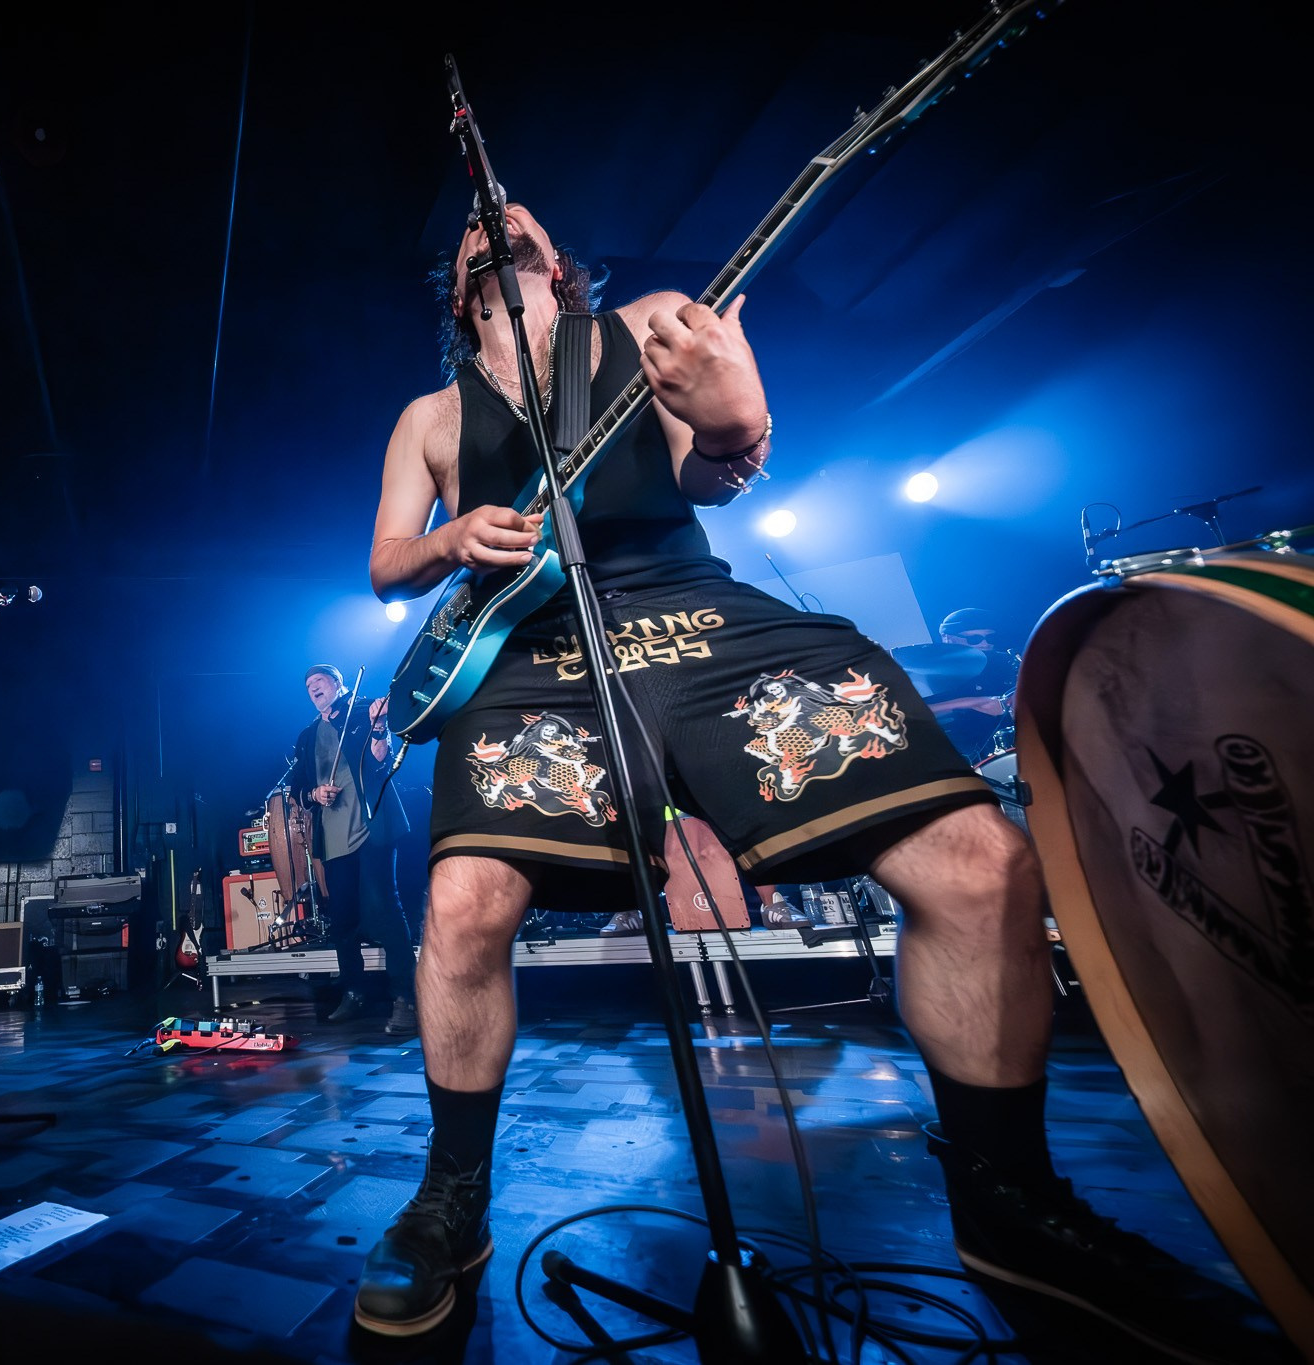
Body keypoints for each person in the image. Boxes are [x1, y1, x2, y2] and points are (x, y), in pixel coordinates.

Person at [348, 202, 1281, 1359]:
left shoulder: (639, 324)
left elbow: (710, 473)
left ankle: (1011, 1204)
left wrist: (736, 425)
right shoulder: (430, 418)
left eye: (521, 209)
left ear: (556, 255)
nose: (501, 217)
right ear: (456, 287)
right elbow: (388, 560)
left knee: (980, 862)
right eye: (476, 228)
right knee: (459, 905)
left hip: (696, 615)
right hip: (530, 655)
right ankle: (450, 1203)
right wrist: (446, 541)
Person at [291, 665, 419, 1036]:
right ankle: (354, 992)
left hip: (371, 828)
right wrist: (314, 794)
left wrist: (379, 726)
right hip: (332, 837)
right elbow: (300, 786)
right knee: (343, 920)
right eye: (308, 684)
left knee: (383, 910)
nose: (313, 687)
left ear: (339, 685)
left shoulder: (362, 713)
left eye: (320, 682)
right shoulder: (306, 736)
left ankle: (405, 997)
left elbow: (381, 759)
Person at [924, 607, 1019, 763]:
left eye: (990, 638)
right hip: (960, 752)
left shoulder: (1004, 662)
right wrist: (974, 702)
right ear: (947, 637)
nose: (985, 644)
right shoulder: (928, 670)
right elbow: (913, 713)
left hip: (1012, 743)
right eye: (974, 639)